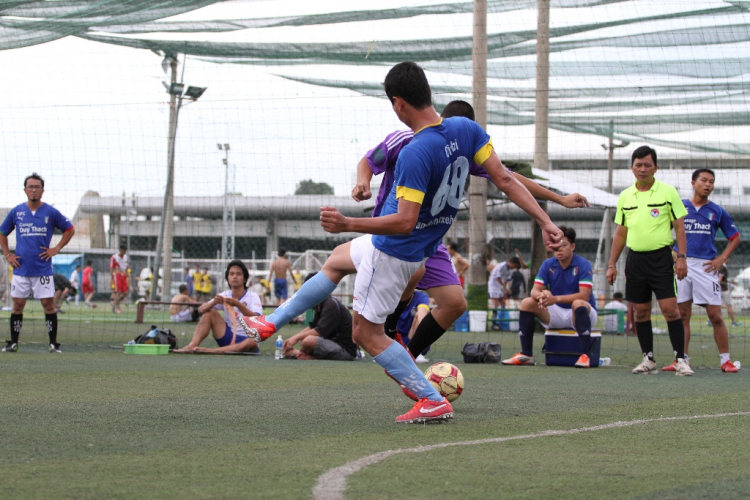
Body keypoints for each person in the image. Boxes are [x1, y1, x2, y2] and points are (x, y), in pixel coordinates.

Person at [237, 62, 561, 423]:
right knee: (336, 261)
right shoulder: (466, 130)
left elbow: (405, 222)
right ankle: (271, 322)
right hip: (414, 249)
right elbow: (504, 177)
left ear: (398, 103)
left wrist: (347, 222)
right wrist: (546, 219)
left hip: (393, 251)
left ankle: (430, 398)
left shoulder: (414, 153)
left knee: (364, 333)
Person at [352, 99, 588, 360]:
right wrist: (361, 187)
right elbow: (368, 160)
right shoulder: (406, 140)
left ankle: (408, 354)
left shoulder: (463, 150)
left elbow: (508, 178)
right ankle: (387, 333)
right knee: (340, 272)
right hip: (392, 234)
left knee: (454, 304)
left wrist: (560, 200)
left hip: (430, 240)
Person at [606, 146, 692, 376]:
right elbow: (620, 233)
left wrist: (681, 258)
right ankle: (648, 359)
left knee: (670, 310)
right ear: (632, 167)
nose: (642, 169)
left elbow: (680, 227)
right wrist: (612, 264)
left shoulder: (667, 192)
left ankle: (681, 360)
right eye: (638, 165)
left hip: (661, 258)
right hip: (635, 260)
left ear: (655, 167)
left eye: (647, 165)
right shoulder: (625, 196)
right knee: (640, 312)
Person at [671, 168, 741, 373]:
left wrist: (722, 258)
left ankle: (725, 361)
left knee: (716, 316)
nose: (708, 184)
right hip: (682, 265)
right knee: (682, 315)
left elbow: (735, 237)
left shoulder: (717, 211)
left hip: (705, 267)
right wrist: (673, 254)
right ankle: (682, 360)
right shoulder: (679, 206)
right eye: (704, 180)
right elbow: (661, 230)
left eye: (711, 181)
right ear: (693, 182)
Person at [0, 173, 75, 353]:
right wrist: (8, 255)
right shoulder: (17, 211)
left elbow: (70, 229)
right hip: (20, 269)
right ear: (25, 190)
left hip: (42, 270)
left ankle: (52, 344)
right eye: (30, 186)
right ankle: (13, 343)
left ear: (42, 190)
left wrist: (56, 248)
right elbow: (2, 233)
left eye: (37, 187)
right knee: (18, 306)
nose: (33, 190)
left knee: (48, 306)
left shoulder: (50, 212)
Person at [503, 226, 598, 367]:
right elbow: (534, 291)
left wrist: (555, 298)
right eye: (556, 245)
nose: (559, 249)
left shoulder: (583, 264)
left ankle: (584, 356)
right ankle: (526, 354)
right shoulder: (548, 264)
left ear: (573, 246)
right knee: (527, 302)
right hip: (556, 313)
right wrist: (543, 295)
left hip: (581, 313)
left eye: (563, 245)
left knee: (578, 303)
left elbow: (584, 296)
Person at [175, 260, 263, 353]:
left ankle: (212, 351)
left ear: (245, 279)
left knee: (253, 341)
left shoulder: (253, 296)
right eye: (231, 274)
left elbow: (256, 319)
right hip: (228, 336)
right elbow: (201, 310)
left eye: (238, 274)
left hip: (246, 339)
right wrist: (213, 303)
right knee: (209, 313)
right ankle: (192, 345)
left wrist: (238, 304)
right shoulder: (225, 295)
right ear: (228, 278)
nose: (234, 277)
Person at [282, 272, 357, 360]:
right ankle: (305, 356)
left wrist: (295, 338)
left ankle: (301, 355)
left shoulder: (330, 304)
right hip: (333, 344)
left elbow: (319, 331)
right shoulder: (320, 304)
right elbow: (312, 327)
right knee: (304, 339)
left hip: (345, 351)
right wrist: (293, 338)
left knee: (308, 340)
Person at [395, 290, 432, 363]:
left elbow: (422, 316)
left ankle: (416, 352)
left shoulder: (421, 296)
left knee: (419, 316)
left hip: (414, 337)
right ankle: (384, 351)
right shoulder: (391, 296)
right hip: (394, 336)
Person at [718, 261, 742, 327]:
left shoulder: (718, 267)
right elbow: (719, 280)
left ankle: (710, 320)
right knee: (729, 306)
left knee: (715, 305)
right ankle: (733, 322)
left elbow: (722, 279)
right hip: (723, 290)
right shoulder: (722, 267)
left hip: (718, 290)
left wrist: (731, 282)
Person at [110, 244, 129, 313]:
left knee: (125, 293)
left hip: (124, 275)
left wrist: (127, 275)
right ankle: (119, 308)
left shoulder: (125, 257)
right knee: (118, 292)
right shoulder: (114, 257)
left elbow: (127, 267)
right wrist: (111, 278)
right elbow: (112, 268)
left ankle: (115, 303)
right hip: (117, 275)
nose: (125, 252)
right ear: (121, 250)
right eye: (124, 251)